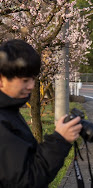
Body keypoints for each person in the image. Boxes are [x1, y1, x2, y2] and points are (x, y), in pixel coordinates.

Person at [0, 39, 82, 187]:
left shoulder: (9, 111)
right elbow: (27, 180)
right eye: (25, 80)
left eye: (32, 79)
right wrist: (59, 140)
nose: (31, 86)